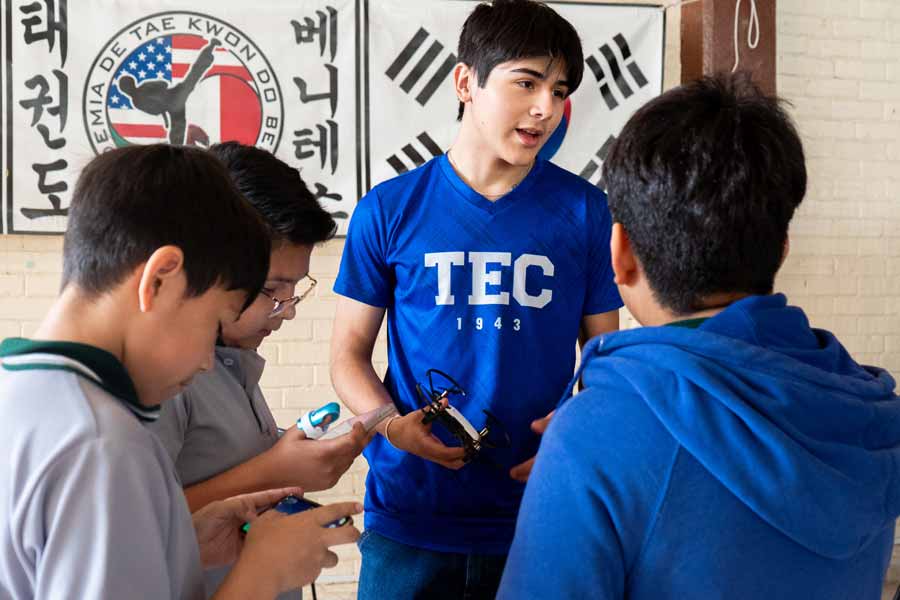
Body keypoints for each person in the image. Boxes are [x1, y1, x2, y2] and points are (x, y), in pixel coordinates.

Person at [498, 73, 900, 600]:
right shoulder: (870, 415)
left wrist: (595, 442)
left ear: (619, 254)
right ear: (782, 248)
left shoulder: (594, 435)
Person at [329, 1, 622, 597]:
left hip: (539, 512)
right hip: (409, 514)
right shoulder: (388, 209)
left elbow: (606, 357)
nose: (546, 108)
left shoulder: (585, 211)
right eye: (526, 82)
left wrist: (576, 441)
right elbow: (347, 354)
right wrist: (389, 424)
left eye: (559, 90)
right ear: (466, 82)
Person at [0, 144, 361, 599]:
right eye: (213, 320)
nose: (208, 360)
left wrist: (181, 539)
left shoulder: (22, 393)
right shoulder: (102, 443)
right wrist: (262, 575)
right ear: (160, 279)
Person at [150, 142, 371, 598]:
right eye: (273, 289)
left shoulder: (231, 362)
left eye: (294, 288)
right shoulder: (166, 376)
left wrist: (288, 457)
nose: (286, 311)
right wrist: (273, 470)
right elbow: (141, 528)